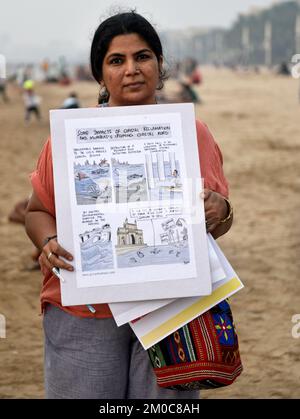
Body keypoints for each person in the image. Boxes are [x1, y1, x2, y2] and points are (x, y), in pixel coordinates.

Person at [25, 11, 233, 400]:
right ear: (100, 75)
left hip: (170, 307)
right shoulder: (71, 139)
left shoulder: (192, 132)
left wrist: (221, 210)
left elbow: (216, 223)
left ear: (159, 64)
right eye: (116, 60)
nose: (132, 69)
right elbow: (37, 210)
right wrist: (49, 241)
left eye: (143, 56)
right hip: (84, 310)